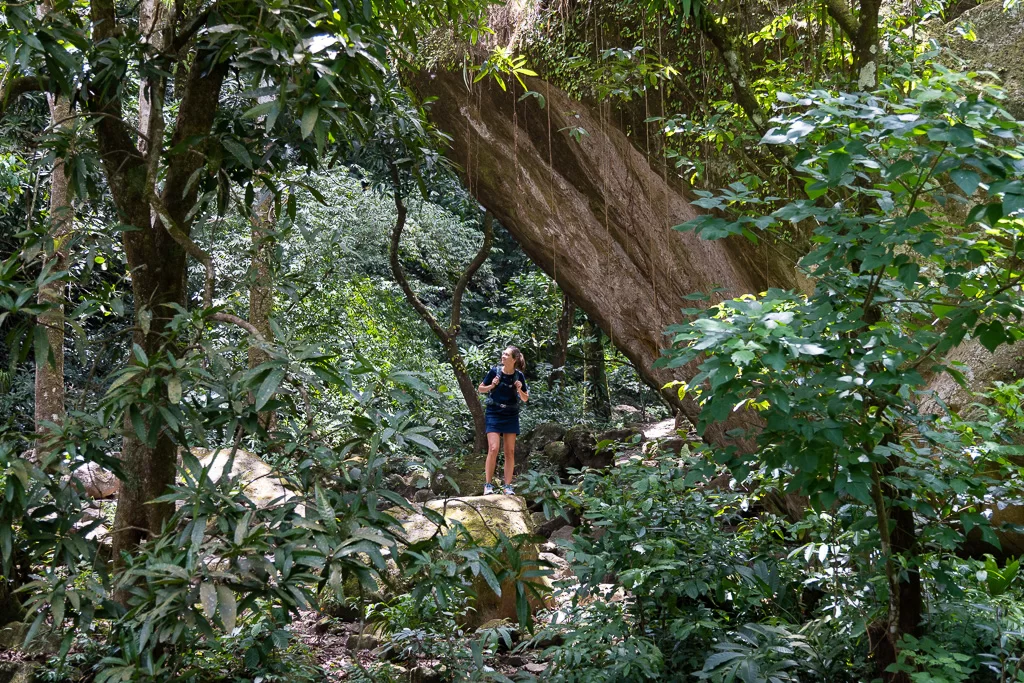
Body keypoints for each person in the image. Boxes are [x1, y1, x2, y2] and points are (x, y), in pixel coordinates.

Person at [478, 346, 529, 495]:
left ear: (514, 360)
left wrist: (519, 389)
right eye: (503, 354)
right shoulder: (495, 371)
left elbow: (525, 399)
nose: (503, 356)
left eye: (507, 355)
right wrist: (492, 385)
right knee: (493, 448)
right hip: (494, 412)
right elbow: (481, 389)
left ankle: (508, 486)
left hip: (510, 415)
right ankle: (488, 485)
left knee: (510, 451)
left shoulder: (519, 376)